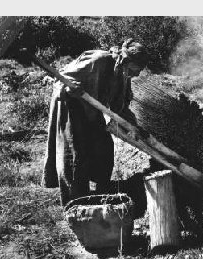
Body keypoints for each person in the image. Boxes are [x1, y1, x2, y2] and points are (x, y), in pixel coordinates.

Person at [42, 40, 147, 205]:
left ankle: (100, 196)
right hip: (71, 107)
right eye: (137, 69)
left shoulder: (123, 74)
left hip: (92, 109)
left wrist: (133, 126)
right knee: (75, 157)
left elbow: (121, 106)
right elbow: (61, 81)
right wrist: (71, 88)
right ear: (127, 61)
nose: (138, 74)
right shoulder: (98, 60)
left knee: (104, 150)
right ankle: (75, 205)